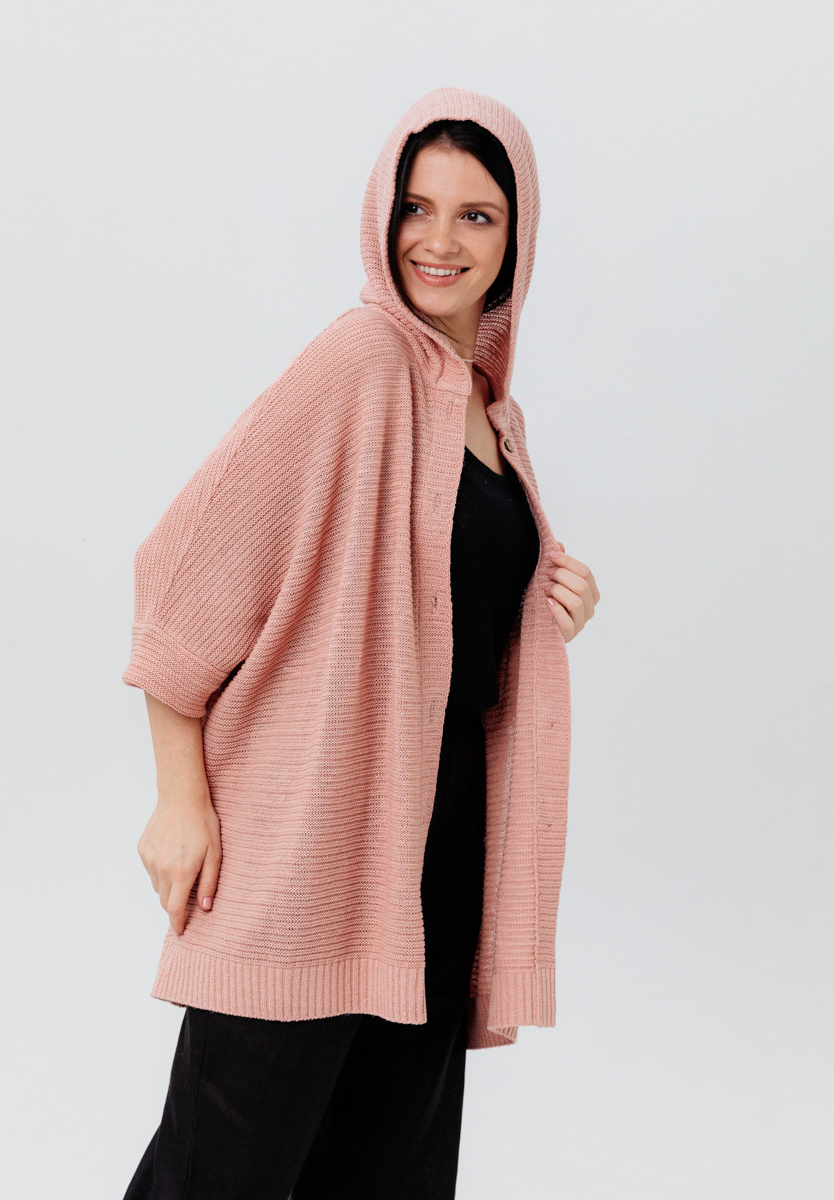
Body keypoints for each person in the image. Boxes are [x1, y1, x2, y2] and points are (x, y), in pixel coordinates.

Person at [121, 87, 600, 1200]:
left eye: (476, 215)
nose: (440, 240)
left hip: (439, 853)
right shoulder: (359, 361)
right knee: (220, 1169)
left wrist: (548, 596)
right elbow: (180, 574)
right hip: (313, 840)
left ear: (517, 237)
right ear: (383, 215)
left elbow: (445, 602)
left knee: (389, 1172)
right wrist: (179, 799)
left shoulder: (493, 411)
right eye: (416, 207)